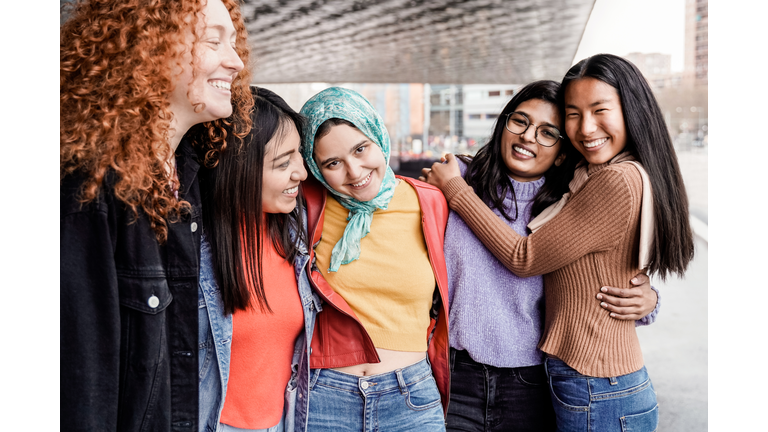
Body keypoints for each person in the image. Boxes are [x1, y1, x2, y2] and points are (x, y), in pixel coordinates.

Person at [425, 54, 694, 432]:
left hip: (538, 381)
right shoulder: (455, 182)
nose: (528, 137)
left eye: (549, 131)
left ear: (562, 150)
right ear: (503, 123)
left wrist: (648, 301)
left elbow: (538, 259)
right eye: (520, 121)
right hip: (458, 375)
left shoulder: (570, 197)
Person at [60, 0, 252, 430]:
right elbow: (82, 384)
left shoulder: (187, 174)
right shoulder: (88, 186)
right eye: (213, 40)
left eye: (235, 42)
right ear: (148, 46)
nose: (236, 61)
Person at [297, 87, 450, 431]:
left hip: (411, 399)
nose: (354, 171)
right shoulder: (304, 207)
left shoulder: (430, 202)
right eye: (333, 163)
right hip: (325, 397)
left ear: (378, 136)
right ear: (315, 168)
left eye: (361, 149)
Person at [196, 87, 319, 432]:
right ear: (240, 171)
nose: (301, 174)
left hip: (286, 423)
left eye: (299, 155)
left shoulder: (297, 233)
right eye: (284, 163)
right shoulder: (191, 252)